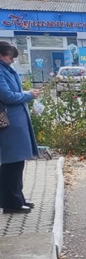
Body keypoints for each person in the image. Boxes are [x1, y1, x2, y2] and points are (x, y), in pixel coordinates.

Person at [0, 41, 40, 213]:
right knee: (11, 162)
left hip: (15, 122)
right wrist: (28, 95)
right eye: (10, 57)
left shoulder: (6, 69)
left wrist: (26, 94)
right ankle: (11, 203)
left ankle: (17, 198)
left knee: (17, 162)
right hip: (9, 123)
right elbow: (7, 96)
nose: (12, 60)